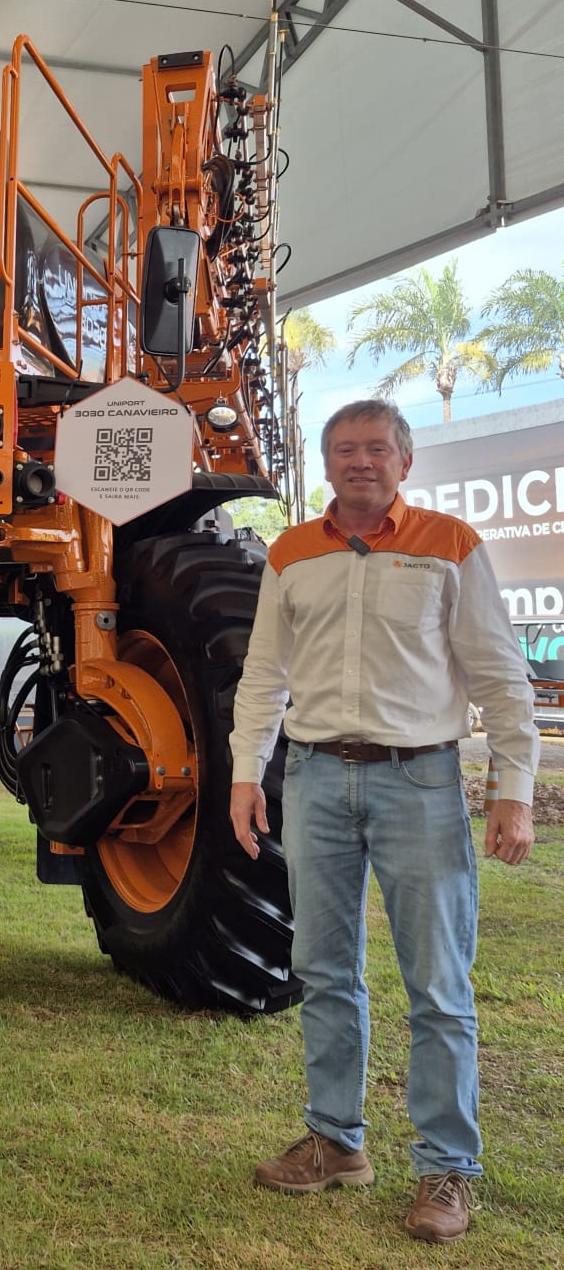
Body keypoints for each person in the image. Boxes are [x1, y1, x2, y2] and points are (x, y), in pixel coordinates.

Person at [228, 398, 538, 1245]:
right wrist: (244, 776)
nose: (359, 461)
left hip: (422, 782)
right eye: (344, 450)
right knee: (324, 972)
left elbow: (500, 677)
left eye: (375, 448)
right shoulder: (290, 553)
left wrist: (514, 786)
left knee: (438, 988)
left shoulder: (450, 546)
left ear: (406, 461)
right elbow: (263, 676)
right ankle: (334, 1142)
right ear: (327, 465)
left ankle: (446, 1170)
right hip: (318, 780)